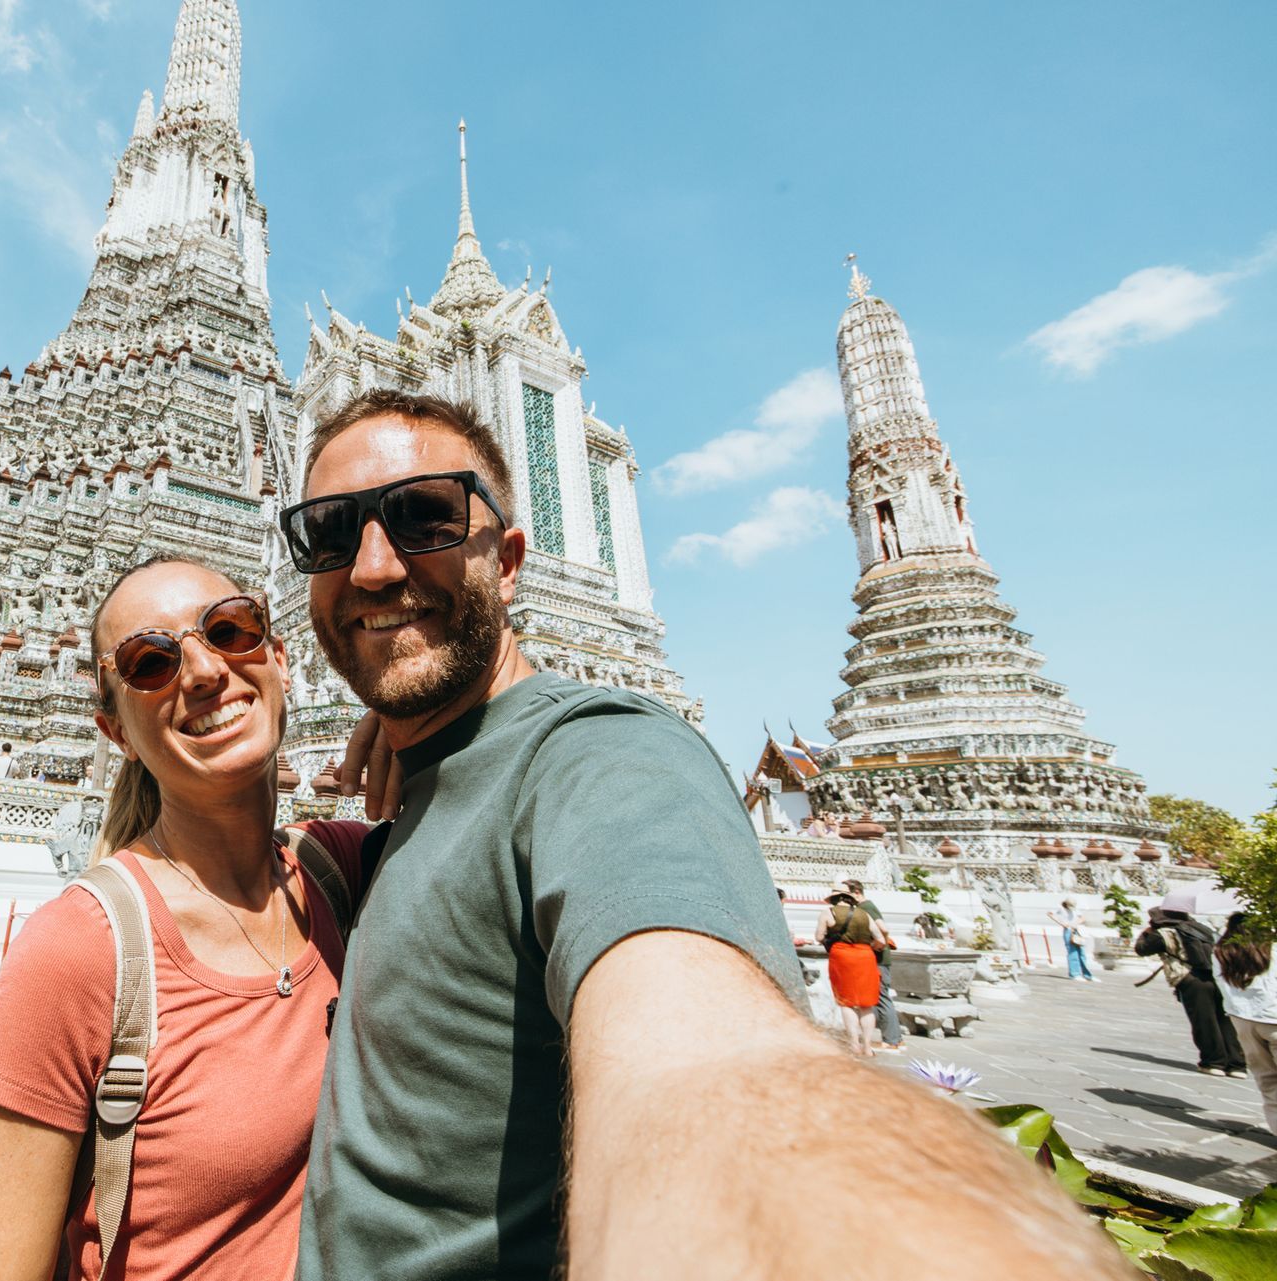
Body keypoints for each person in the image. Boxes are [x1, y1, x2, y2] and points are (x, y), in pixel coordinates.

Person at [288, 388, 1129, 1278]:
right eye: (330, 534)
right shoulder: (413, 792)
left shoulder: (604, 757)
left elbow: (702, 1071)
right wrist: (406, 721)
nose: (374, 566)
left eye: (425, 519)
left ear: (509, 559)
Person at [0, 558, 371, 1281]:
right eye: (150, 661)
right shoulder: (78, 952)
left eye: (231, 629)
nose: (202, 671)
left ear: (280, 660)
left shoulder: (336, 870)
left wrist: (405, 723)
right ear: (117, 732)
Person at [1136, 905, 1248, 1077]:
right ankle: (1237, 1065)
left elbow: (1141, 949)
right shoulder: (1201, 929)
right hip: (1215, 977)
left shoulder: (1164, 934)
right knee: (1224, 1021)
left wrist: (1146, 932)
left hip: (1191, 979)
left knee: (1204, 1022)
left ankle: (1214, 1062)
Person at [816, 882, 890, 1056]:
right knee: (867, 1004)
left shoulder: (828, 912)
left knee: (847, 1002)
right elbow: (881, 939)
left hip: (842, 956)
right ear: (850, 898)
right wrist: (868, 945)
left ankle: (854, 1044)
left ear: (834, 898)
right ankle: (867, 1046)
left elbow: (819, 937)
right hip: (865, 956)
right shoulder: (864, 914)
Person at [1216, 913, 1277, 1122]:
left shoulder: (1220, 952)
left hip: (1242, 1020)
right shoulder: (1272, 949)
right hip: (1273, 1018)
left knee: (1267, 1079)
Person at [845, 877, 903, 1049]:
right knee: (876, 997)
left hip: (879, 959)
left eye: (848, 894)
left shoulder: (866, 907)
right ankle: (889, 1037)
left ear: (857, 892)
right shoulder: (862, 907)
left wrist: (879, 944)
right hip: (874, 959)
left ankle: (892, 1040)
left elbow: (883, 928)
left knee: (882, 996)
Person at [1048, 898, 1096, 981]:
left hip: (1077, 930)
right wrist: (1062, 923)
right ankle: (1074, 974)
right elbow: (1050, 914)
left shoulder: (1075, 909)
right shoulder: (1060, 908)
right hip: (1068, 931)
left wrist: (1076, 923)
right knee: (1072, 952)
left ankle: (1087, 974)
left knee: (1082, 953)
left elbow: (1082, 918)